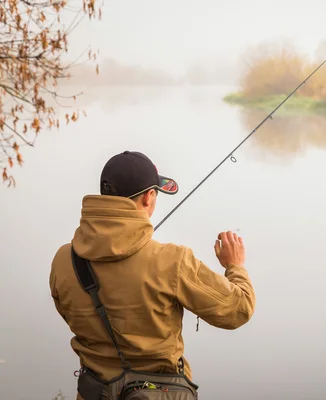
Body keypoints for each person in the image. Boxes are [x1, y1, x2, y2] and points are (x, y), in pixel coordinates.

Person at [49, 150, 256, 398]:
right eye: (156, 194)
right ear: (148, 198)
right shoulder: (172, 261)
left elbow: (69, 313)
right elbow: (238, 310)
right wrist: (235, 266)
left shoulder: (63, 260)